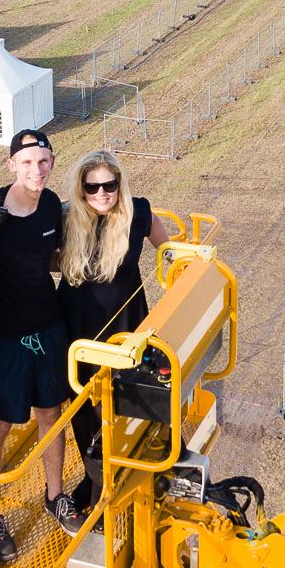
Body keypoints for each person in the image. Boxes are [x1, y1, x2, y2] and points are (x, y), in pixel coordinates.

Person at [0, 128, 82, 550]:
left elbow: (52, 256)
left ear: (52, 163)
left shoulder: (52, 204)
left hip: (48, 328)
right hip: (4, 338)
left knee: (51, 414)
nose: (35, 170)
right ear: (10, 166)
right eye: (26, 163)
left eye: (42, 162)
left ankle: (54, 495)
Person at [57, 149, 169, 511]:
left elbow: (168, 247)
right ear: (81, 189)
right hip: (78, 333)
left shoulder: (138, 213)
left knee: (127, 405)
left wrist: (182, 266)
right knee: (85, 409)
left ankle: (130, 474)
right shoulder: (66, 218)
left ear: (121, 185)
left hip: (125, 328)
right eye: (93, 187)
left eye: (110, 185)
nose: (102, 193)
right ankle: (97, 484)